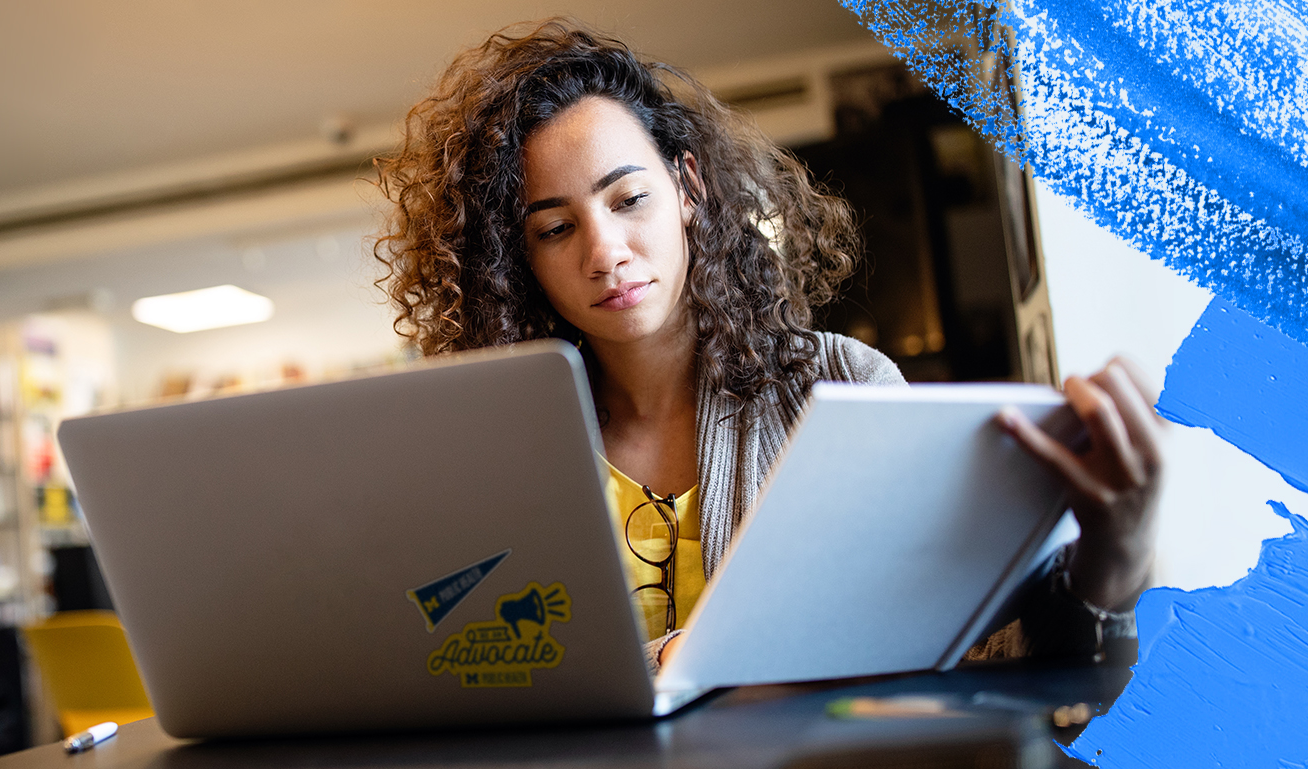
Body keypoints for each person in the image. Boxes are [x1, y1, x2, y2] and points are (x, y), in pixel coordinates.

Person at [371, 18, 1160, 666]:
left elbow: (977, 655)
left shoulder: (840, 391)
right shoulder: (498, 454)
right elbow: (467, 674)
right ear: (520, 259)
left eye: (629, 198)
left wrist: (1112, 557)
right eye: (554, 226)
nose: (604, 249)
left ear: (688, 189)